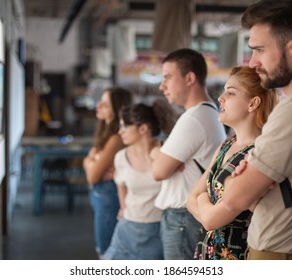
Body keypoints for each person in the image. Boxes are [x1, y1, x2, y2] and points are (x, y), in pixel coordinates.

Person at [217, 0, 292, 260]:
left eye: (260, 50)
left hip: (280, 255)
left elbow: (233, 198)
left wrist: (240, 181)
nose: (252, 63)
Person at [187, 66, 278, 260]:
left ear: (253, 103)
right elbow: (190, 199)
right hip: (205, 254)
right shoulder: (226, 146)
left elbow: (211, 220)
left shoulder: (257, 154)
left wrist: (203, 199)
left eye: (230, 93)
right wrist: (206, 209)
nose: (220, 98)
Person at [151, 48, 227, 259]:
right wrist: (161, 153)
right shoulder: (207, 112)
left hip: (182, 219)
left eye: (167, 77)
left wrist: (157, 152)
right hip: (187, 217)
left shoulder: (193, 118)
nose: (162, 85)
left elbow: (158, 171)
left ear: (190, 78)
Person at [103, 100, 177, 260]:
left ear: (143, 128)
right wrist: (123, 207)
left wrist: (157, 152)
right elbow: (121, 186)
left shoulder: (166, 153)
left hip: (157, 231)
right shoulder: (120, 157)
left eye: (124, 126)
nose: (120, 131)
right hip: (127, 229)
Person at [83, 87, 133, 257]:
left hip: (108, 197)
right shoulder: (105, 135)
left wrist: (91, 162)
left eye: (105, 104)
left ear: (117, 109)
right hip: (102, 196)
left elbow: (92, 176)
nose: (98, 106)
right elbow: (88, 160)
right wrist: (91, 162)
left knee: (106, 253)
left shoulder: (116, 138)